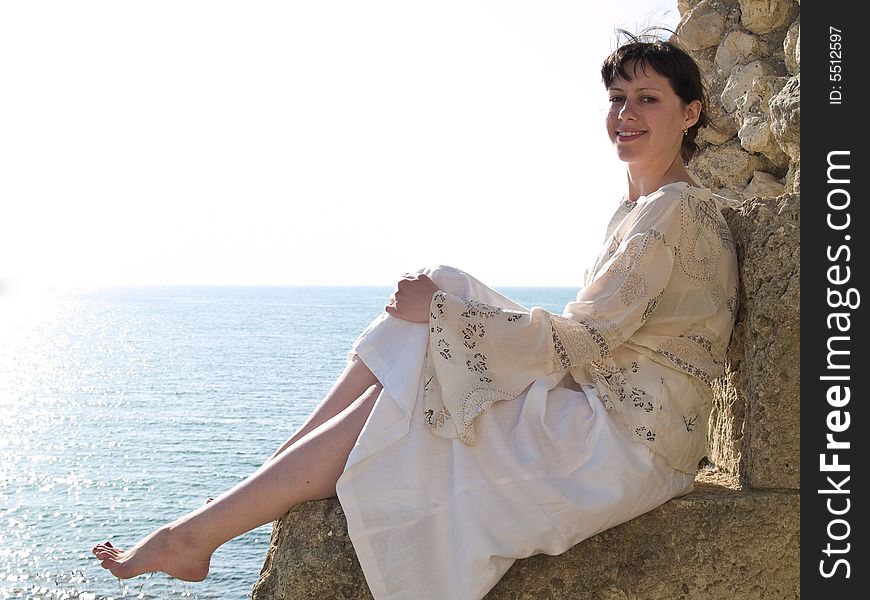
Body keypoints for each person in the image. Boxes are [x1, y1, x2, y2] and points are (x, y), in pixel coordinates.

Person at [93, 30, 739, 599]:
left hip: (627, 444)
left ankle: (204, 529)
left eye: (647, 99)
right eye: (617, 99)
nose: (626, 114)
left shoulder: (673, 213)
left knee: (427, 351)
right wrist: (444, 307)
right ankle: (255, 489)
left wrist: (445, 317)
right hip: (607, 407)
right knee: (442, 288)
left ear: (691, 112)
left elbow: (583, 342)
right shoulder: (640, 208)